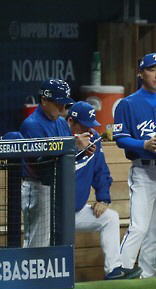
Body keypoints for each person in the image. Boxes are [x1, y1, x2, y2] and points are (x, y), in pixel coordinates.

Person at [113, 52, 156, 278]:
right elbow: (120, 138)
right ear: (141, 73)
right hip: (143, 170)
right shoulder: (127, 104)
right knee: (139, 227)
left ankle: (147, 277)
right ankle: (120, 271)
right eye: (152, 69)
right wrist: (144, 144)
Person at [67, 101, 142, 280]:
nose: (89, 130)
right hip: (54, 215)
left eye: (91, 126)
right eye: (84, 126)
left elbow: (101, 172)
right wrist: (74, 149)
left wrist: (103, 199)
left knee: (110, 218)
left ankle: (114, 270)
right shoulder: (60, 140)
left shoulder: (93, 139)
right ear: (70, 122)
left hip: (75, 212)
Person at [19, 79, 91, 248]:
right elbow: (43, 163)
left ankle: (49, 276)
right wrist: (75, 145)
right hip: (37, 187)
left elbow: (64, 160)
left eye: (65, 105)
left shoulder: (61, 123)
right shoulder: (31, 125)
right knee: (37, 242)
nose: (63, 109)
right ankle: (30, 275)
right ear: (44, 100)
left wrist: (80, 152)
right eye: (59, 104)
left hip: (57, 188)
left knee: (54, 240)